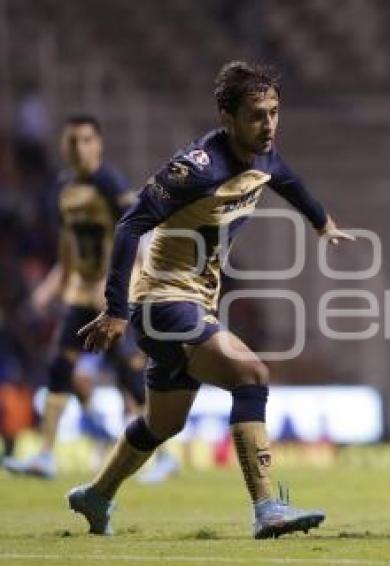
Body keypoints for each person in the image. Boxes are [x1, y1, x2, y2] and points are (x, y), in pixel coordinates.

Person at [72, 61, 354, 539]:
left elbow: (286, 180)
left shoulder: (263, 154)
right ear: (226, 117)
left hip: (195, 303)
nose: (268, 126)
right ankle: (268, 507)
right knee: (252, 373)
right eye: (256, 116)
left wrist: (321, 222)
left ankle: (95, 495)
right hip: (161, 301)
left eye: (274, 113)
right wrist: (117, 310)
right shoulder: (196, 169)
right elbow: (130, 225)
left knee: (163, 423)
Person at [1, 116, 171, 480]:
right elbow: (68, 249)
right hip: (81, 294)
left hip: (113, 296)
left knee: (129, 375)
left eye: (87, 139)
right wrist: (48, 291)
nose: (79, 147)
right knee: (59, 367)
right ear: (64, 146)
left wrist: (125, 289)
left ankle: (163, 454)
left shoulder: (110, 184)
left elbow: (137, 235)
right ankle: (46, 455)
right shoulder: (62, 189)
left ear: (99, 144)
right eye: (73, 140)